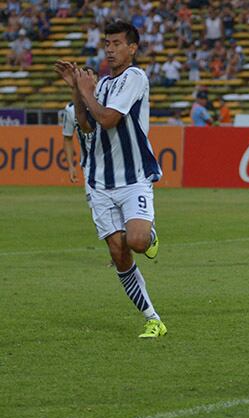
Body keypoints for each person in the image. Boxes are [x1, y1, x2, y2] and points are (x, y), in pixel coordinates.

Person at [54, 21, 166, 338]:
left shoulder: (135, 77)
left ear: (132, 48)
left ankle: (149, 234)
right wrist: (78, 90)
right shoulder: (100, 85)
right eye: (107, 43)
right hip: (99, 183)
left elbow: (109, 118)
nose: (110, 49)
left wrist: (86, 91)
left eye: (116, 43)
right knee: (118, 253)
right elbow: (87, 125)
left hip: (133, 178)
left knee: (138, 241)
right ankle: (152, 318)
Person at [61, 67, 99, 186]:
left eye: (94, 82)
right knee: (95, 205)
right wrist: (71, 166)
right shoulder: (71, 110)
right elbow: (67, 138)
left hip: (114, 165)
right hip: (89, 166)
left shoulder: (108, 105)